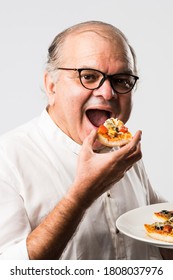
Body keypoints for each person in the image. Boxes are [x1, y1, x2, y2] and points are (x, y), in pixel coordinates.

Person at [0, 20, 171, 260]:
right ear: (51, 86)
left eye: (121, 80)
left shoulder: (124, 151)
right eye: (89, 76)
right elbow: (9, 270)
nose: (108, 92)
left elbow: (160, 235)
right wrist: (81, 196)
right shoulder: (7, 159)